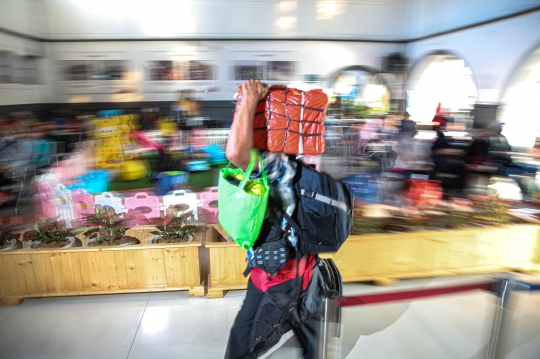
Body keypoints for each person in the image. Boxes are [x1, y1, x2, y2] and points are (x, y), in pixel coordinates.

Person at [224, 80, 322, 359]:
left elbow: (234, 153)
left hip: (279, 271)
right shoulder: (303, 158)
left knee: (250, 332)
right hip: (299, 262)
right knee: (304, 321)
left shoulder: (275, 163)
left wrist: (250, 100)